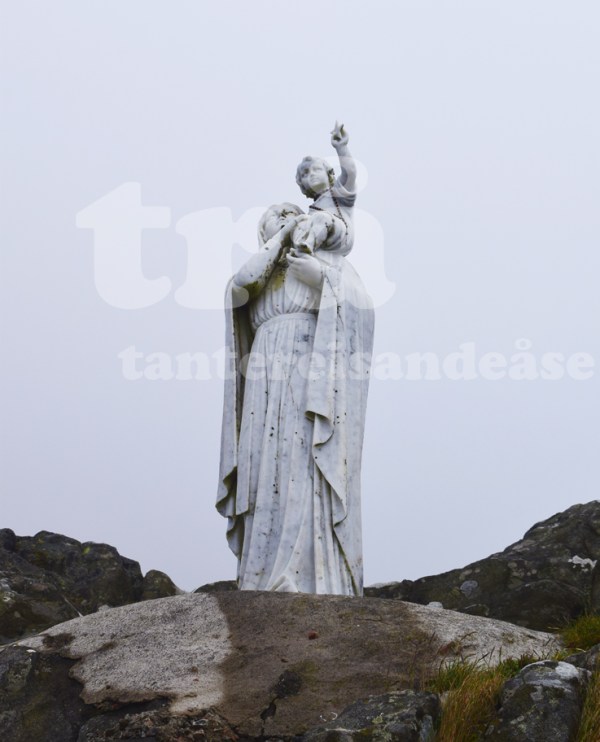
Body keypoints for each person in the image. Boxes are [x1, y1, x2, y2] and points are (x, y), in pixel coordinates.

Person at [217, 125, 374, 595]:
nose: (287, 218)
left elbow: (361, 311)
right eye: (276, 217)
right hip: (265, 377)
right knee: (266, 464)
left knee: (304, 458)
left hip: (311, 370)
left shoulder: (323, 265)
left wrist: (322, 280)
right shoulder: (261, 278)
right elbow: (239, 286)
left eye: (292, 213)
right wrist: (283, 235)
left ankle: (315, 574)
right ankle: (261, 573)